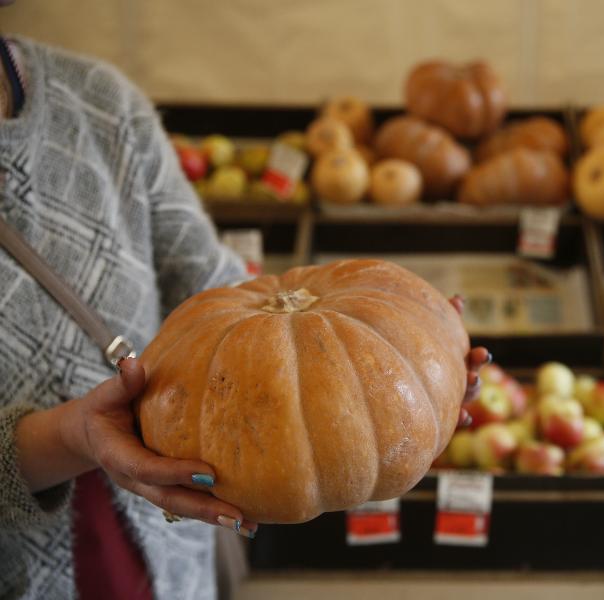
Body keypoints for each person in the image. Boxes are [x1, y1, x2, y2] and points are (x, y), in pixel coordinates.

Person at [0, 31, 489, 600]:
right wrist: (68, 437)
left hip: (167, 554)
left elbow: (221, 291)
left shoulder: (99, 100)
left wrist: (406, 345)